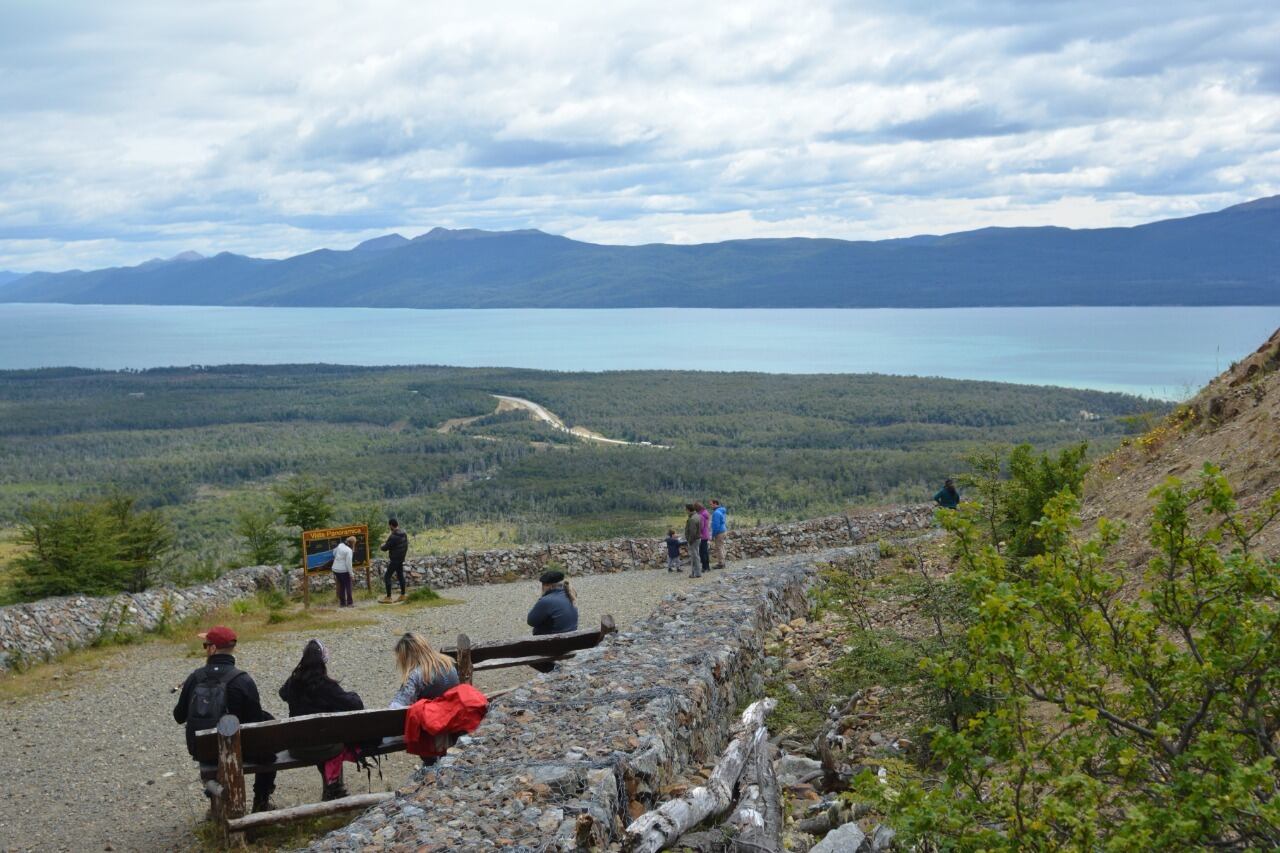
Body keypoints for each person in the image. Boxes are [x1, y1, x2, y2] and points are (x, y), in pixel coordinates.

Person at [172, 625, 278, 813]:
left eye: (206, 645)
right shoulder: (243, 680)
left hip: (205, 751)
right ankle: (261, 801)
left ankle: (216, 804)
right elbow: (255, 720)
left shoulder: (194, 678)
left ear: (212, 649)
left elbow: (178, 716)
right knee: (268, 746)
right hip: (240, 750)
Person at [278, 639, 364, 800]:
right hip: (326, 747)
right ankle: (333, 788)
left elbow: (282, 693)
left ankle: (332, 788)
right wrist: (352, 694)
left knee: (319, 735)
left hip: (298, 747)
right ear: (323, 660)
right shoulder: (326, 686)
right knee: (331, 738)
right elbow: (355, 704)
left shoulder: (294, 682)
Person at [389, 633, 463, 765]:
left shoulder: (416, 675)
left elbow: (395, 709)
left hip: (432, 738)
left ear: (407, 657)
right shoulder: (449, 665)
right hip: (454, 728)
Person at [526, 570, 579, 635]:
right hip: (571, 639)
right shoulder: (569, 595)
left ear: (548, 586)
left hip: (552, 643)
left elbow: (531, 621)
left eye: (543, 585)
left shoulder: (546, 601)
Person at [379, 518, 408, 604]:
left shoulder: (393, 536)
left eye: (389, 526)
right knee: (400, 576)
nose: (389, 527)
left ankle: (388, 597)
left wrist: (381, 546)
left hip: (395, 559)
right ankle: (402, 595)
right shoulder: (404, 533)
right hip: (401, 558)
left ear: (391, 525)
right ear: (397, 524)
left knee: (387, 576)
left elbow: (385, 547)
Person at [332, 535, 355, 607]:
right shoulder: (349, 550)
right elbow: (349, 564)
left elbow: (334, 553)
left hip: (335, 569)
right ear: (352, 543)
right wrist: (351, 574)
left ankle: (342, 603)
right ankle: (350, 603)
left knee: (341, 586)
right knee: (348, 586)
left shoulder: (340, 545)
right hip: (343, 570)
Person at [684, 504, 703, 578]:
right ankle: (697, 572)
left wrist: (689, 541)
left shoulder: (692, 519)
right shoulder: (698, 516)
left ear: (688, 510)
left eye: (686, 509)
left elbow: (692, 532)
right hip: (697, 539)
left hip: (694, 540)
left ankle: (695, 573)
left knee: (694, 557)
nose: (685, 511)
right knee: (696, 556)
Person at [710, 499, 728, 570]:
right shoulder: (722, 511)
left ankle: (721, 563)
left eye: (711, 504)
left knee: (719, 547)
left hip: (719, 532)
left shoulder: (716, 513)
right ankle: (723, 561)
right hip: (723, 530)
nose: (710, 506)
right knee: (722, 546)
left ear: (715, 504)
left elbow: (716, 526)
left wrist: (713, 535)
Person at [696, 502, 712, 573]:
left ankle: (704, 567)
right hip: (706, 534)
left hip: (702, 536)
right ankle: (707, 567)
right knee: (705, 552)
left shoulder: (701, 515)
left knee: (702, 552)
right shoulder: (705, 513)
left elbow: (701, 527)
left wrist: (697, 532)